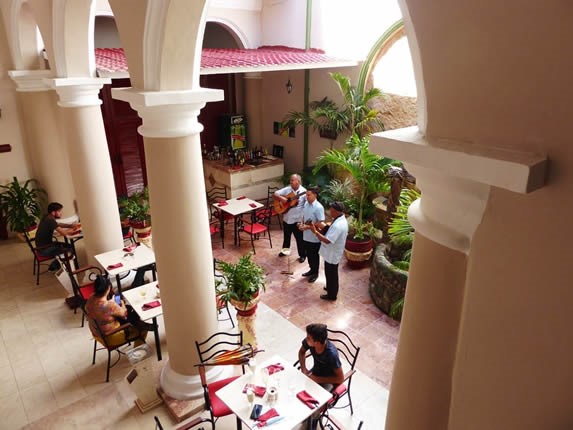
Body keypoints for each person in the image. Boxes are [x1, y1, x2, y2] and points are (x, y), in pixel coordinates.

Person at [298, 323, 344, 430]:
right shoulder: (310, 343)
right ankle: (306, 416)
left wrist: (317, 379)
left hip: (329, 380)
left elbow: (340, 378)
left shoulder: (331, 354)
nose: (306, 339)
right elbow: (301, 352)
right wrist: (304, 369)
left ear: (317, 342)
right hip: (315, 374)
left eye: (309, 338)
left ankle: (313, 423)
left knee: (315, 404)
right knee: (299, 392)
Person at [85, 274, 153, 346]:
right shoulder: (109, 305)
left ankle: (139, 323)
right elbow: (124, 314)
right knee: (141, 327)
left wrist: (112, 302)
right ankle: (138, 352)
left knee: (132, 316)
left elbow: (102, 309)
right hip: (110, 337)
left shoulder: (90, 299)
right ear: (108, 288)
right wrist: (122, 303)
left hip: (97, 334)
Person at [309, 201, 348, 301]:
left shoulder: (338, 225)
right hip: (333, 252)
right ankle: (330, 287)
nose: (330, 212)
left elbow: (327, 240)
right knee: (329, 272)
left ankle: (332, 295)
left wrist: (315, 232)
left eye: (331, 211)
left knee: (332, 273)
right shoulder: (339, 219)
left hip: (333, 253)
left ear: (336, 211)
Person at [35, 202, 79, 271]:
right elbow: (64, 233)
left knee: (69, 246)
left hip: (42, 247)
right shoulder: (50, 220)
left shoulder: (47, 217)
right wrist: (73, 230)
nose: (61, 213)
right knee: (69, 249)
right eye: (59, 211)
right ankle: (55, 266)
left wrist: (70, 225)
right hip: (44, 249)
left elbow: (57, 224)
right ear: (53, 212)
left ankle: (59, 264)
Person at [274, 174, 307, 261]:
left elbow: (307, 206)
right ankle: (285, 252)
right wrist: (282, 199)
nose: (291, 182)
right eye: (291, 180)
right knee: (286, 237)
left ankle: (302, 255)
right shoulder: (287, 189)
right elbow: (275, 193)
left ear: (298, 182)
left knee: (300, 239)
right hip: (287, 219)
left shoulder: (304, 192)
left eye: (293, 180)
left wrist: (303, 220)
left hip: (297, 220)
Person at [298, 187, 325, 283]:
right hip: (306, 235)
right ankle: (311, 270)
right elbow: (304, 216)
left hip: (314, 237)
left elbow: (321, 222)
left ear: (315, 195)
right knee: (308, 254)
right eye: (306, 195)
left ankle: (315, 273)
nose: (307, 197)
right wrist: (301, 223)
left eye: (309, 195)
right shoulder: (306, 204)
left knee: (314, 256)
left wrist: (308, 227)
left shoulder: (319, 207)